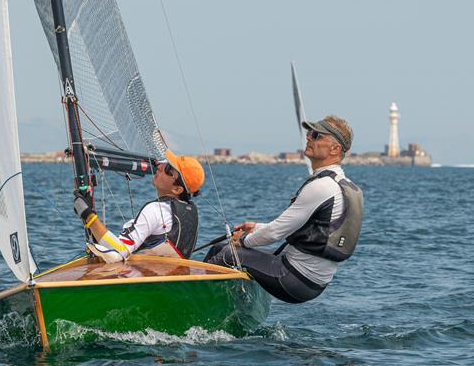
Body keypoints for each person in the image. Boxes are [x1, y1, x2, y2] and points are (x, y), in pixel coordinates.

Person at [206, 116, 363, 303]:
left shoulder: (322, 187)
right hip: (311, 282)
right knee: (218, 248)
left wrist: (245, 241)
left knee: (228, 254)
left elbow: (274, 233)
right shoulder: (343, 186)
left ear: (335, 149)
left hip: (295, 278)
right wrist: (256, 227)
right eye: (309, 134)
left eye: (316, 135)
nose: (309, 138)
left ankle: (192, 301)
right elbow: (302, 229)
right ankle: (224, 304)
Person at [73, 150, 204, 263]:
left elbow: (119, 252)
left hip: (147, 281)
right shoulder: (191, 210)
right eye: (165, 163)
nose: (160, 167)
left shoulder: (156, 210)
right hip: (174, 279)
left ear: (177, 189)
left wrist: (87, 215)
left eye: (169, 169)